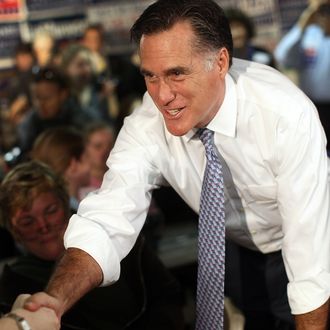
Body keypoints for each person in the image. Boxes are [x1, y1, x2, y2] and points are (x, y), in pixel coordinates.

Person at [20, 1, 329, 329]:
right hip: (237, 247)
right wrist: (55, 301)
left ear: (220, 62)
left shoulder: (284, 117)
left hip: (309, 241)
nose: (162, 96)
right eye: (150, 77)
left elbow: (309, 263)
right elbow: (106, 219)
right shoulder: (146, 125)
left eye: (176, 74)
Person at [0, 161, 184, 330]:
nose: (43, 226)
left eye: (50, 211)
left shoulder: (116, 237)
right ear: (14, 231)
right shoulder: (14, 285)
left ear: (65, 206)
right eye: (27, 221)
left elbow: (168, 295)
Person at [274, 0, 330, 150]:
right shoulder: (309, 34)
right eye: (323, 11)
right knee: (317, 152)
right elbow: (281, 55)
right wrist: (301, 25)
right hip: (313, 107)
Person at [16, 66, 92, 157]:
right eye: (36, 98)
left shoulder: (83, 121)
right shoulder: (29, 124)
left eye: (46, 98)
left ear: (63, 95)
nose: (40, 104)